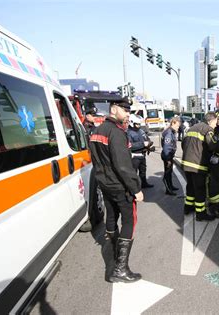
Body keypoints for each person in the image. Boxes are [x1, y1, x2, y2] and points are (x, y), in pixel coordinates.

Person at [89, 97, 144, 283]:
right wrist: (136, 189)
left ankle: (114, 251)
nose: (128, 113)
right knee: (129, 222)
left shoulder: (97, 131)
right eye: (125, 110)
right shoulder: (116, 133)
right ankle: (120, 269)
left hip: (105, 184)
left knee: (111, 218)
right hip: (120, 186)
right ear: (113, 109)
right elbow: (123, 166)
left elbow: (97, 160)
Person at [181, 112, 219, 221]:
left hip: (186, 163)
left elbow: (183, 144)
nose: (215, 125)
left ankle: (188, 207)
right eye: (215, 122)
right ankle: (201, 214)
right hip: (198, 165)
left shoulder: (192, 128)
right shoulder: (208, 129)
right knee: (200, 189)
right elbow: (212, 144)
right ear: (210, 121)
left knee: (190, 186)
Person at [127, 114, 154, 188]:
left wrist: (149, 145)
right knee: (134, 173)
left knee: (143, 171)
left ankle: (144, 183)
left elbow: (146, 138)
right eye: (137, 124)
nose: (139, 126)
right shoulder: (128, 133)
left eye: (139, 124)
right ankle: (134, 188)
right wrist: (143, 144)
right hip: (134, 156)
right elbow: (130, 146)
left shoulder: (141, 131)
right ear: (132, 123)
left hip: (142, 155)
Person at [161, 116, 181, 195]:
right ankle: (168, 190)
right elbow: (166, 147)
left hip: (169, 155)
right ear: (173, 123)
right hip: (167, 156)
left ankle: (171, 186)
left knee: (170, 172)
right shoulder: (169, 133)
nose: (178, 128)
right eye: (177, 126)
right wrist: (168, 159)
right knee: (167, 173)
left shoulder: (171, 131)